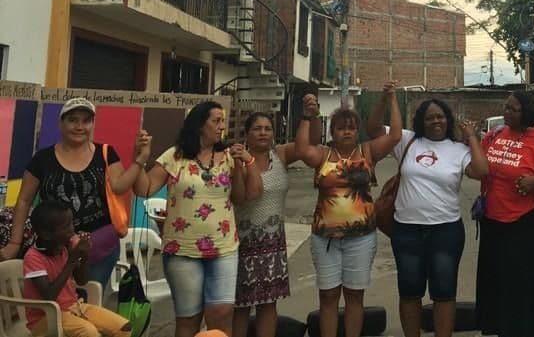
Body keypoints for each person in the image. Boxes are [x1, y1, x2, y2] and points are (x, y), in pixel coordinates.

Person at [135, 101, 262, 337]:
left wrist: (248, 162)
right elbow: (145, 189)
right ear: (199, 124)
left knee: (222, 314)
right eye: (216, 121)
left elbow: (247, 196)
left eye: (223, 121)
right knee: (188, 319)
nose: (221, 127)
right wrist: (140, 159)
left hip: (223, 248)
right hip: (182, 250)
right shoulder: (175, 156)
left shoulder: (228, 157)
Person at [366, 97, 488, 337]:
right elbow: (373, 129)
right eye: (430, 117)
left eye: (440, 116)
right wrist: (386, 98)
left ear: (448, 120)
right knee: (410, 292)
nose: (436, 121)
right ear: (421, 121)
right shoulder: (407, 140)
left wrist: (472, 137)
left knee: (444, 292)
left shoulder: (458, 149)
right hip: (407, 232)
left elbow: (482, 171)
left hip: (446, 232)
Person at [0, 98, 152, 289]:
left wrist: (139, 160)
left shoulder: (104, 153)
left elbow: (119, 186)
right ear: (61, 123)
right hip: (54, 249)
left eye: (86, 121)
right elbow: (23, 200)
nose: (79, 126)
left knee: (90, 298)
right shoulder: (42, 159)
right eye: (73, 120)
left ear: (92, 124)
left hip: (99, 245)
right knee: (55, 303)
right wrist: (15, 242)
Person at [295, 86, 401, 337]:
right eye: (341, 127)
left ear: (357, 130)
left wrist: (391, 99)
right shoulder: (323, 154)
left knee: (355, 295)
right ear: (332, 132)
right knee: (328, 296)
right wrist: (307, 117)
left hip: (361, 238)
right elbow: (301, 150)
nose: (346, 131)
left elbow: (395, 135)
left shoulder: (368, 152)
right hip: (325, 239)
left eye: (351, 127)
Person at [476, 91, 534, 337]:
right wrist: (470, 139)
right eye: (506, 107)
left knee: (522, 285)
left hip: (524, 224)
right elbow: (478, 163)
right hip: (493, 222)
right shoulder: (496, 134)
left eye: (513, 109)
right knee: (498, 282)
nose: (507, 112)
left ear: (526, 112)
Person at [233, 112, 312, 337]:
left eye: (268, 128)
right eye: (257, 128)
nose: (263, 133)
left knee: (268, 303)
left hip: (273, 242)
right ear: (247, 133)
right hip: (243, 242)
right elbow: (239, 197)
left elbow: (306, 145)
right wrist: (243, 163)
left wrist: (307, 117)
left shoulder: (280, 155)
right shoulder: (235, 159)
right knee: (240, 305)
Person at [22, 200, 131, 337]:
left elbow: (82, 280)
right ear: (46, 234)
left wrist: (85, 255)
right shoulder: (33, 257)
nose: (71, 230)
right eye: (66, 227)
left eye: (71, 223)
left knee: (123, 328)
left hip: (74, 307)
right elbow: (49, 296)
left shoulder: (64, 247)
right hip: (45, 318)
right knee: (89, 333)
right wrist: (72, 259)